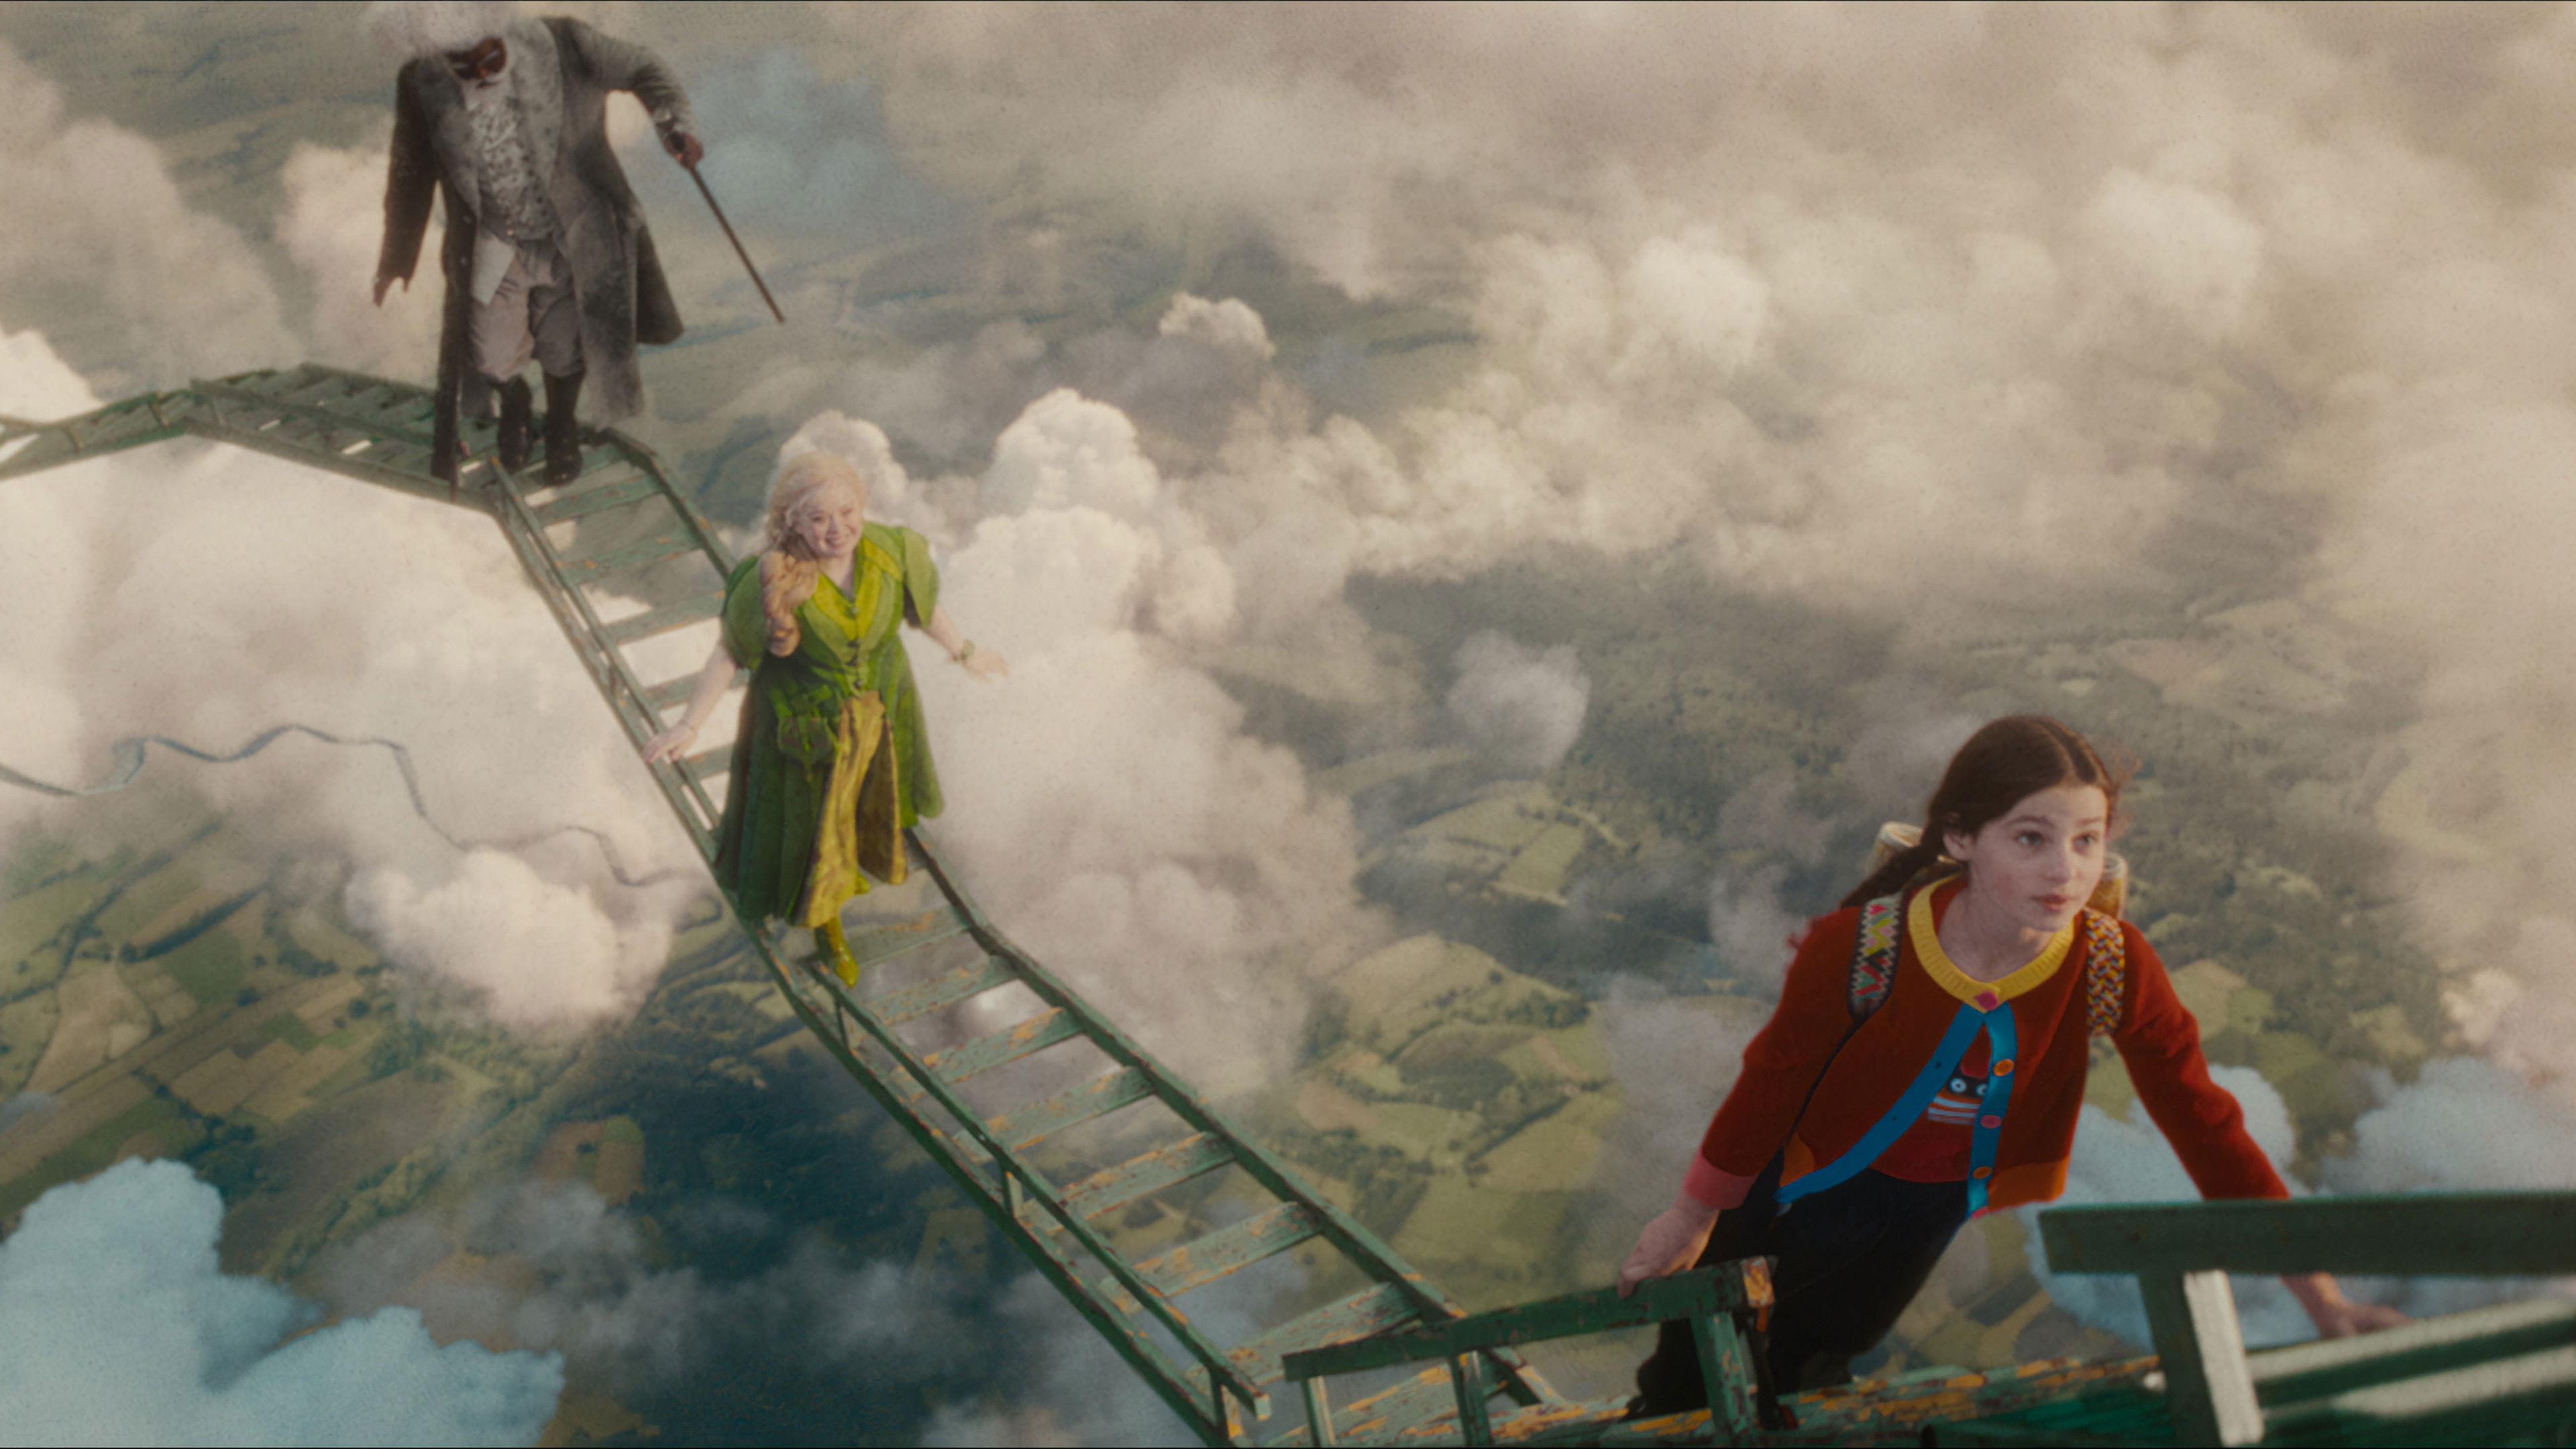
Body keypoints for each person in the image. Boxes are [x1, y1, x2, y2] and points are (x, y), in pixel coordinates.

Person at [1617, 715, 2402, 1414]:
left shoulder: (2111, 966)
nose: (2066, 871)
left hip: (1920, 1209)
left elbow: (2205, 1124)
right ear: (1961, 839)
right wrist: (1689, 1217)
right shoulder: (1860, 949)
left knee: (1810, 1369)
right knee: (1688, 1374)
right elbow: (1773, 1082)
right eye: (2031, 839)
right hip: (1789, 1181)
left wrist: (2320, 1298)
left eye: (2087, 840)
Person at [643, 452, 1008, 985]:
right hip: (808, 723)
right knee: (816, 833)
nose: (837, 529)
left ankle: (864, 858)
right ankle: (828, 929)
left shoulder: (892, 551)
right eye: (818, 518)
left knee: (866, 801)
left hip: (880, 706)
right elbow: (730, 652)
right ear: (792, 521)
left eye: (847, 512)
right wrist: (689, 725)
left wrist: (964, 651)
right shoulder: (770, 578)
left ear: (863, 505)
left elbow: (922, 608)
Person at [368, 0, 703, 485]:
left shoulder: (567, 43)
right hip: (492, 244)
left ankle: (561, 428)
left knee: (567, 345)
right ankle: (516, 402)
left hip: (574, 236)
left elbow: (644, 68)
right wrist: (396, 257)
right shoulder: (421, 80)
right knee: (491, 354)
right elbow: (410, 169)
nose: (483, 75)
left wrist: (674, 123)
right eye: (465, 68)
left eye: (491, 59)